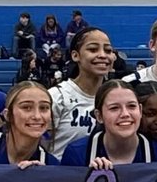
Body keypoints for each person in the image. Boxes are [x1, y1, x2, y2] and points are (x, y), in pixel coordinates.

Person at [48, 26, 114, 159]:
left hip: (101, 177)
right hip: (62, 176)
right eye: (93, 49)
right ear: (75, 55)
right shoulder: (57, 97)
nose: (102, 55)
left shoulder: (116, 99)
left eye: (108, 50)